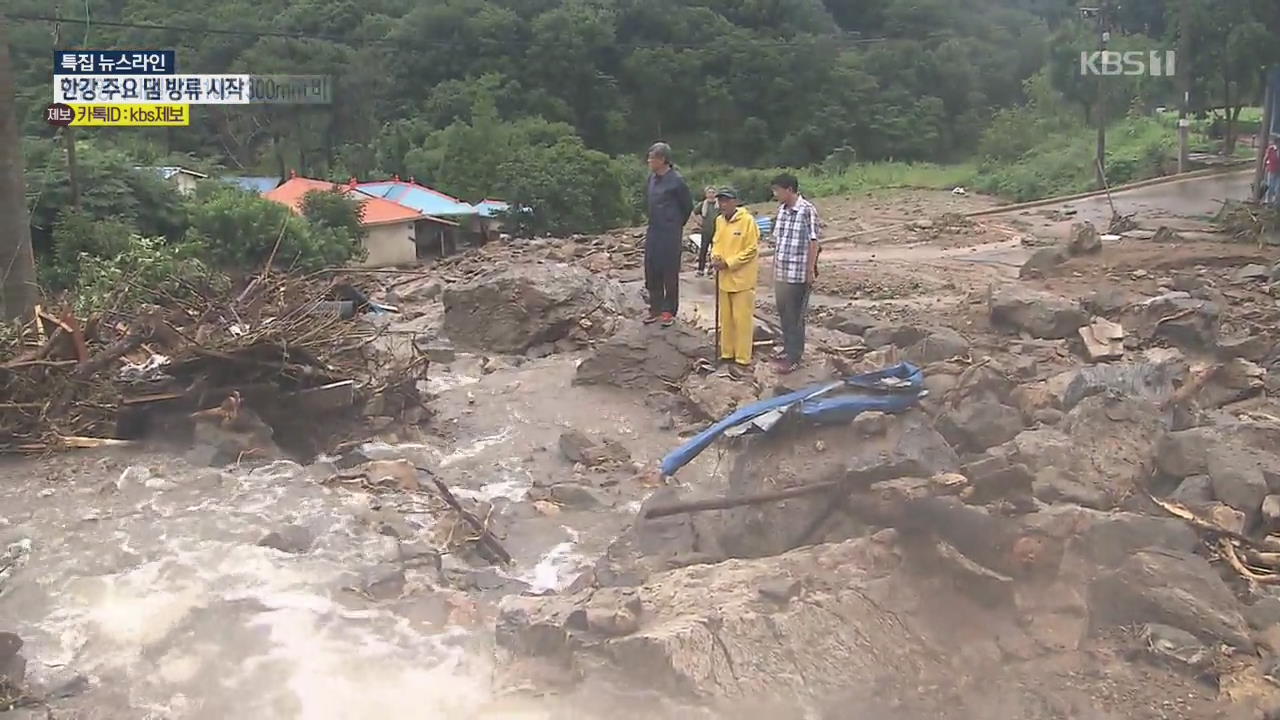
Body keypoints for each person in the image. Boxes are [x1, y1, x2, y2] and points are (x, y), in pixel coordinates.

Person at [769, 173, 820, 375]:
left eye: (777, 190)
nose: (775, 194)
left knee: (796, 315)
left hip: (798, 272)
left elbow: (813, 241)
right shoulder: (781, 211)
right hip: (782, 271)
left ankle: (794, 356)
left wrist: (810, 270)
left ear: (789, 189)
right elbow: (778, 242)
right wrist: (773, 267)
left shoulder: (807, 210)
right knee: (783, 313)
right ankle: (787, 348)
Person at [709, 187, 759, 374]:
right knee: (726, 319)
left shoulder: (747, 221)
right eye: (720, 201)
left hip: (742, 279)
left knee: (742, 320)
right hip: (723, 278)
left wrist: (729, 263)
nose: (723, 205)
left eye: (726, 201)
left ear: (735, 202)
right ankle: (727, 353)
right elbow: (716, 243)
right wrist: (715, 258)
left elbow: (751, 249)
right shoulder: (719, 221)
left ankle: (743, 358)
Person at [643, 142, 694, 327]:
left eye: (652, 158)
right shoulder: (651, 179)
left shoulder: (677, 181)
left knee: (669, 272)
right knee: (651, 268)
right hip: (654, 230)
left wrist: (675, 224)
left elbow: (687, 206)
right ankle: (654, 308)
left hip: (670, 232)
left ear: (663, 159)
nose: (649, 161)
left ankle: (668, 311)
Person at [693, 186, 720, 277]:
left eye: (713, 192)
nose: (711, 194)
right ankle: (700, 270)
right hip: (705, 231)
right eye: (709, 192)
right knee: (703, 250)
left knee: (715, 251)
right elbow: (694, 213)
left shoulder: (718, 205)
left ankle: (711, 269)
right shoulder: (703, 204)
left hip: (717, 231)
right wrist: (699, 222)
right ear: (706, 194)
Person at [1265, 136, 1279, 207]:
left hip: (1279, 172)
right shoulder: (1271, 149)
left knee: (1278, 188)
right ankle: (1268, 201)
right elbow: (1266, 158)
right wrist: (1263, 168)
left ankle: (1277, 203)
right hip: (1271, 170)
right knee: (1270, 186)